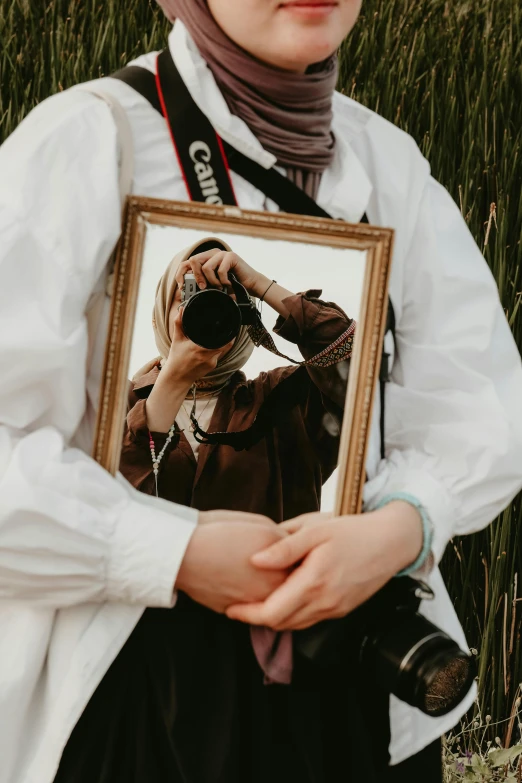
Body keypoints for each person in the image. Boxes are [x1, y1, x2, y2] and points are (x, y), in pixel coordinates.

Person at [0, 1, 521, 782]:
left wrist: (402, 526)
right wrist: (173, 548)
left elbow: (480, 396)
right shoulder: (88, 139)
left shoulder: (385, 166)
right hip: (139, 696)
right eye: (188, 292)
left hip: (344, 678)